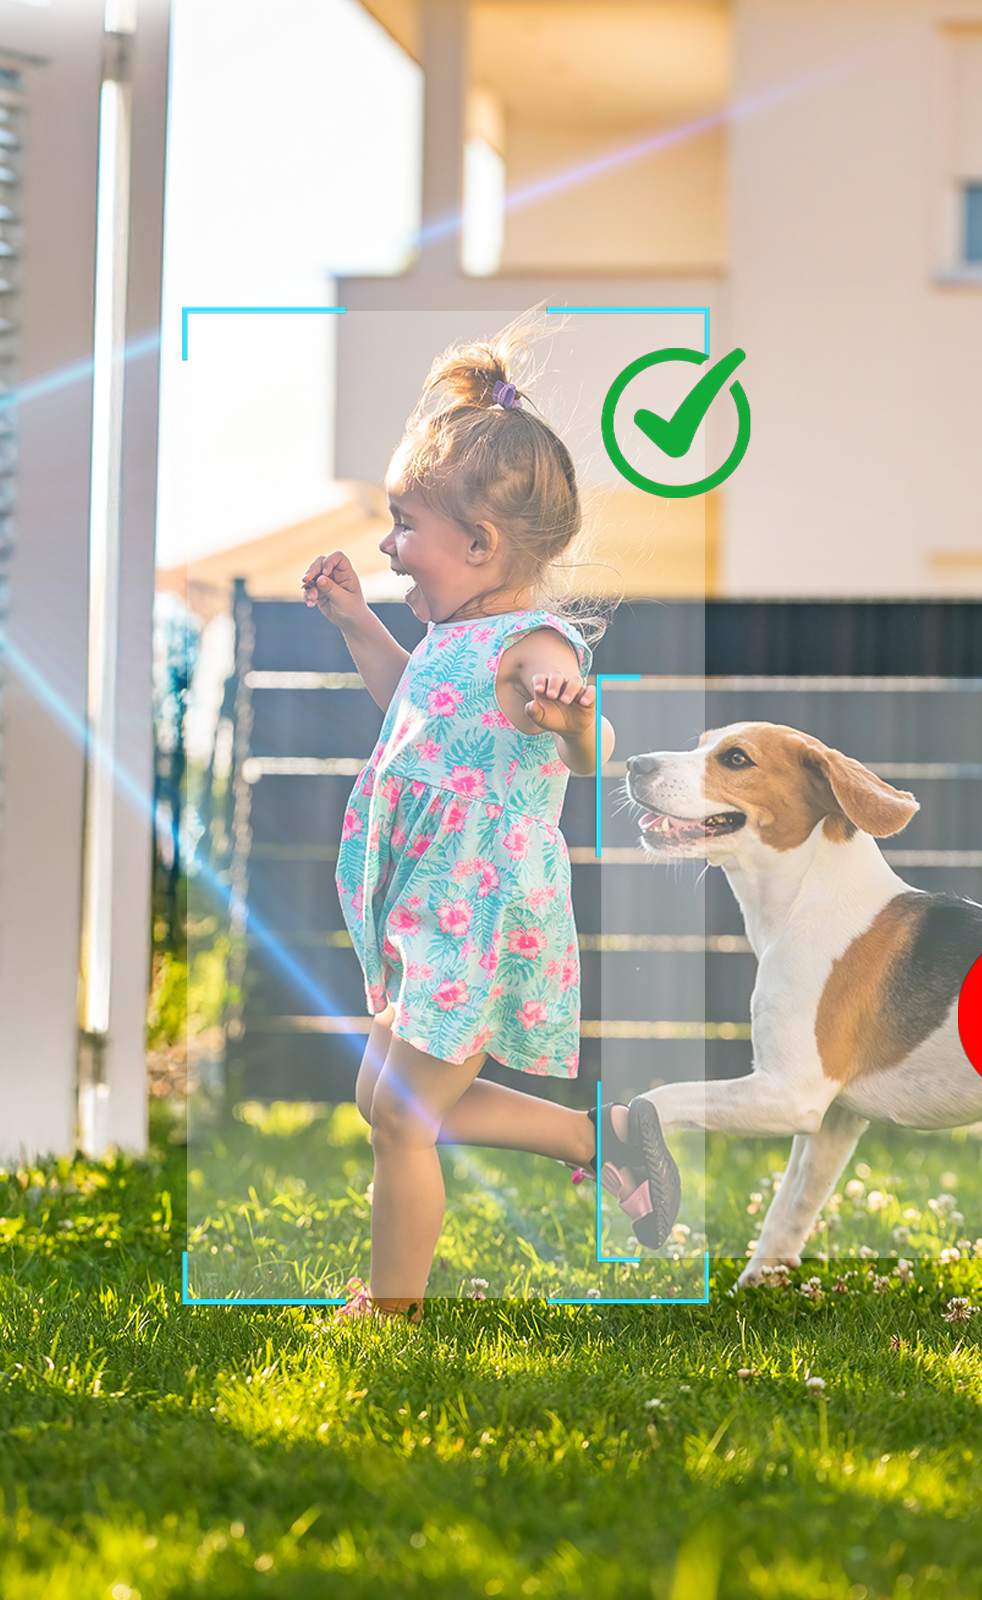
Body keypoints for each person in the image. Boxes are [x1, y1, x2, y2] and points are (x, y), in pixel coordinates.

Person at [302, 328, 680, 1320]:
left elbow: (588, 749)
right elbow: (414, 710)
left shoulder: (529, 644)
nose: (388, 547)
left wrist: (568, 710)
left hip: (477, 911)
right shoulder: (448, 638)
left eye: (402, 525)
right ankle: (599, 1141)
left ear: (479, 545)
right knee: (384, 1099)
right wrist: (355, 623)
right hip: (427, 906)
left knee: (399, 1114)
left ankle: (392, 1310)